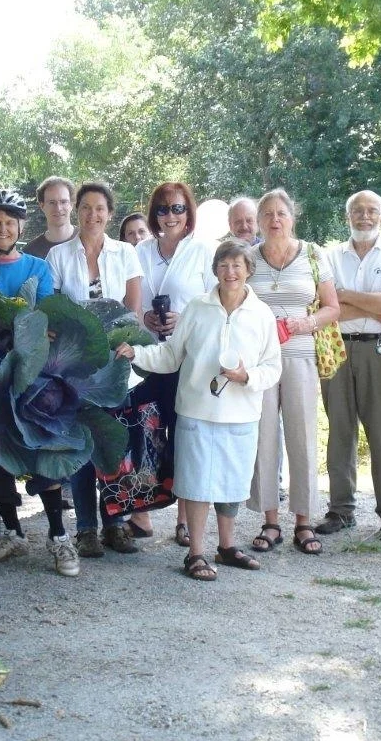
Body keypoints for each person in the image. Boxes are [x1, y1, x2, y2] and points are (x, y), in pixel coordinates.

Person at [115, 240, 281, 581]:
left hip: (241, 412)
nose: (230, 272)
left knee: (231, 484)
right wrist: (138, 353)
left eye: (237, 265)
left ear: (249, 270)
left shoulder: (262, 314)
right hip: (196, 410)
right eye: (223, 265)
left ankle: (227, 546)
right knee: (196, 484)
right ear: (214, 270)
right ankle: (196, 554)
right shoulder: (197, 308)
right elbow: (171, 355)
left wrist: (247, 375)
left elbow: (273, 367)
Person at [0, 189, 80, 576]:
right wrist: (16, 319)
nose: (2, 228)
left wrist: (11, 320)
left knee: (46, 445)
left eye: (10, 222)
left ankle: (59, 536)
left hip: (30, 372)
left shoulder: (38, 267)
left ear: (21, 226)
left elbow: (40, 320)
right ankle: (12, 530)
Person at [46, 181, 142, 557]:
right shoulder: (58, 256)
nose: (92, 214)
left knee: (113, 443)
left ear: (109, 212)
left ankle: (115, 524)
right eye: (85, 207)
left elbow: (132, 312)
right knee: (82, 447)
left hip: (116, 366)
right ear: (76, 211)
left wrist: (122, 344)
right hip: (74, 368)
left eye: (99, 208)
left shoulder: (125, 254)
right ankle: (86, 528)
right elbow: (53, 311)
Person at [246, 188, 340, 555]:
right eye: (266, 214)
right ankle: (270, 521)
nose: (274, 219)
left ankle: (303, 520)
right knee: (263, 437)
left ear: (292, 217)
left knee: (302, 437)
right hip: (260, 361)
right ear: (258, 221)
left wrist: (305, 322)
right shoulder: (247, 257)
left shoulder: (314, 255)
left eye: (280, 213)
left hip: (302, 355)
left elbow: (333, 308)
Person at [316, 190, 381, 541]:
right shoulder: (329, 256)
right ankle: (341, 511)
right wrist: (375, 306)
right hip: (336, 349)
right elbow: (323, 306)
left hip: (380, 350)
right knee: (339, 430)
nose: (364, 217)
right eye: (357, 211)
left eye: (372, 211)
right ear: (347, 217)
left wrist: (346, 296)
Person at [130, 182, 217, 544]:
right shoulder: (139, 251)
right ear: (153, 214)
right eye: (163, 209)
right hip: (147, 357)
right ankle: (141, 514)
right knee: (145, 434)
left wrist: (184, 319)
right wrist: (145, 317)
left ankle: (183, 520)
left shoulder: (203, 251)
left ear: (189, 212)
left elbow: (216, 303)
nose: (171, 216)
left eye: (178, 208)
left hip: (187, 360)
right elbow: (130, 300)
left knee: (183, 435)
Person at [24, 176, 77, 259]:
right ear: (42, 206)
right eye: (52, 202)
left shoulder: (88, 240)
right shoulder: (30, 253)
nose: (58, 208)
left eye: (63, 202)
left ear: (71, 205)